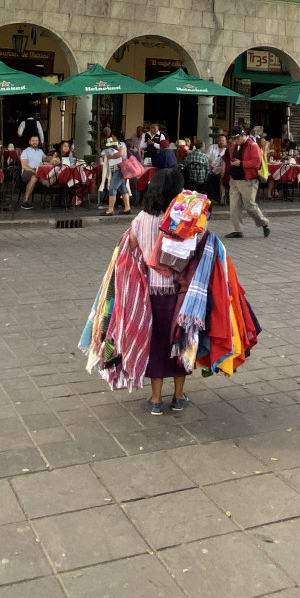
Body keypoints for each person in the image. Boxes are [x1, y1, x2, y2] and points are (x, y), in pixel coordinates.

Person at [127, 167, 191, 414]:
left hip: (150, 293)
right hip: (177, 292)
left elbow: (131, 244)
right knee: (179, 342)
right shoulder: (180, 220)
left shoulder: (141, 219)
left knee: (156, 342)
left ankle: (155, 399)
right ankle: (178, 396)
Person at [226, 126, 271, 239]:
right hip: (235, 179)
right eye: (234, 139)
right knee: (234, 207)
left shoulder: (253, 146)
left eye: (237, 138)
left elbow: (256, 163)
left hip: (248, 180)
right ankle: (237, 230)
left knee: (249, 205)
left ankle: (264, 222)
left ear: (243, 135)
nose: (236, 141)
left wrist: (241, 163)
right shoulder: (235, 146)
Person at [101, 131, 132, 216]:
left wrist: (110, 156)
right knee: (122, 188)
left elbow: (120, 154)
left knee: (112, 188)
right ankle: (127, 207)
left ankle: (110, 209)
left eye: (113, 136)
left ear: (115, 137)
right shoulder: (122, 144)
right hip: (121, 168)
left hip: (119, 169)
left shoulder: (120, 144)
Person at [18, 133, 45, 209]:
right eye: (33, 140)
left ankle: (60, 198)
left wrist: (54, 157)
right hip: (27, 172)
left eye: (36, 140)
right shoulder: (26, 151)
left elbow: (46, 159)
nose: (35, 142)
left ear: (38, 142)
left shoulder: (40, 151)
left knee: (47, 180)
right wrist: (33, 170)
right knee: (34, 177)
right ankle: (25, 201)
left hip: (39, 172)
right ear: (29, 142)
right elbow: (24, 165)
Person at [207, 132, 229, 204]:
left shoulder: (227, 150)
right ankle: (211, 198)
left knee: (219, 177)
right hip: (211, 169)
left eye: (223, 140)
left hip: (222, 170)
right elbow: (206, 158)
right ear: (217, 141)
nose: (221, 142)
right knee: (212, 177)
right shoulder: (212, 147)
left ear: (226, 142)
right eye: (220, 140)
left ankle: (218, 198)